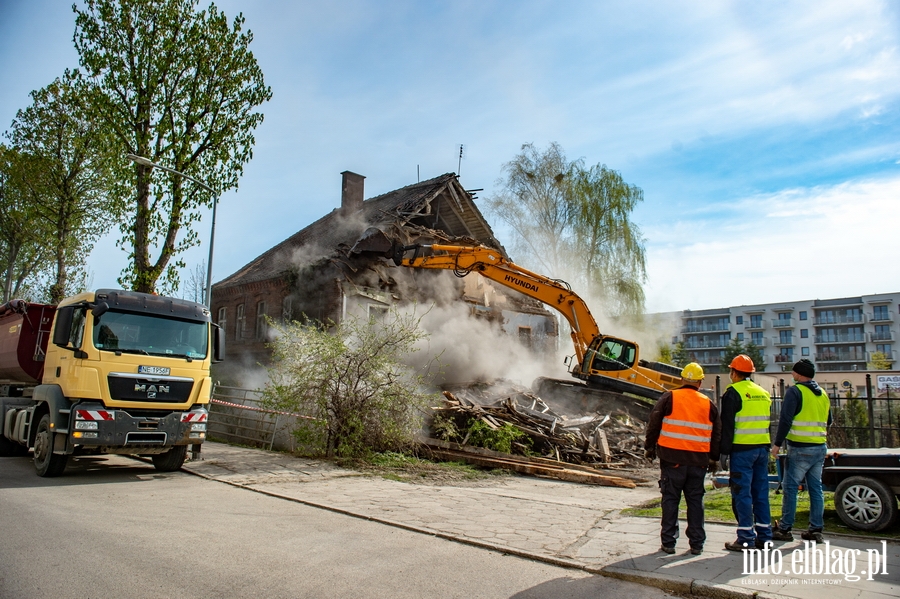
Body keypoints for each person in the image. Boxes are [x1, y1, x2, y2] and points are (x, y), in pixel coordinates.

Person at [645, 362, 721, 555]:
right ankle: (697, 544)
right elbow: (717, 433)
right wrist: (713, 458)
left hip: (672, 460)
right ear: (700, 382)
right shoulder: (708, 403)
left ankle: (669, 542)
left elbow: (654, 423)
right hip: (698, 461)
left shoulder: (669, 397)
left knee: (670, 499)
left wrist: (649, 448)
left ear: (681, 379)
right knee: (695, 501)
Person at [771, 359, 831, 543]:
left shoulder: (795, 392)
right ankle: (815, 530)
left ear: (799, 374)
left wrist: (777, 443)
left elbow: (786, 419)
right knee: (816, 488)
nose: (792, 374)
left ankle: (785, 528)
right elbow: (828, 421)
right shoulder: (823, 394)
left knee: (790, 488)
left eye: (794, 372)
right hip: (819, 447)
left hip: (799, 447)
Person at [720, 354, 774, 552]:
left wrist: (723, 452)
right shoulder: (763, 392)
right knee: (760, 493)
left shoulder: (733, 392)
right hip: (762, 449)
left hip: (742, 451)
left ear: (734, 372)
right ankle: (765, 537)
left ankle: (745, 538)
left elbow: (727, 426)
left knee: (742, 494)